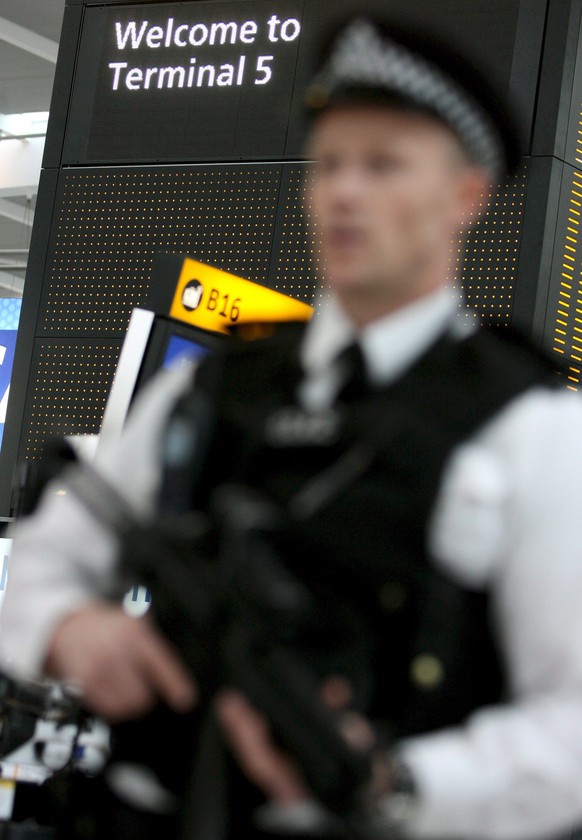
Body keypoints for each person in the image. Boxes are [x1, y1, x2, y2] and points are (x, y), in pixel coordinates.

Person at [3, 15, 582, 840]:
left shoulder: (531, 426)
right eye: (329, 163)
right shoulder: (207, 391)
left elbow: (572, 725)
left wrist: (397, 784)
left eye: (383, 164)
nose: (345, 191)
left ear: (466, 195)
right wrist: (70, 628)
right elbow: (50, 552)